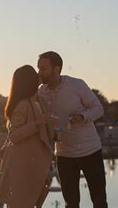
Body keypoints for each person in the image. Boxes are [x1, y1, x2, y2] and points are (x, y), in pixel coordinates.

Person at [37, 51, 108, 208]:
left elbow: (98, 109)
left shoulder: (77, 85)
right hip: (64, 155)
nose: (39, 73)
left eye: (43, 68)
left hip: (90, 151)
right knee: (71, 203)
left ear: (56, 69)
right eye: (38, 68)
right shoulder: (41, 93)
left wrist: (82, 116)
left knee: (99, 201)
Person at [0, 65, 55, 208]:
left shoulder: (36, 101)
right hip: (22, 164)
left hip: (31, 162)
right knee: (21, 202)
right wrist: (37, 123)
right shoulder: (22, 105)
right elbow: (14, 135)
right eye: (35, 74)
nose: (38, 75)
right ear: (29, 81)